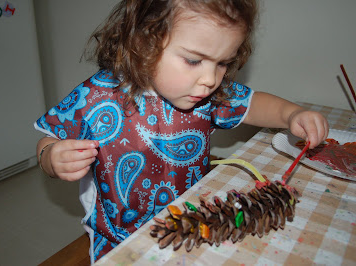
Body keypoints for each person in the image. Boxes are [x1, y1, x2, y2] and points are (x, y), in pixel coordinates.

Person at [34, 0, 329, 263]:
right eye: (193, 60)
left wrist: (292, 113)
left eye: (223, 62)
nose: (210, 79)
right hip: (118, 238)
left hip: (192, 224)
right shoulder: (96, 97)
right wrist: (52, 157)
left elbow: (252, 104)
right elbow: (50, 139)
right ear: (144, 41)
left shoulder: (206, 97)